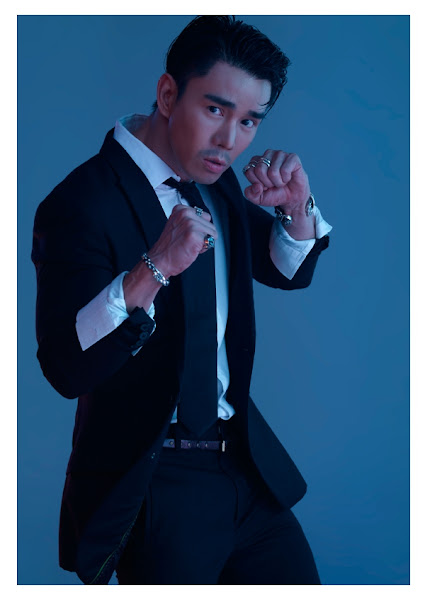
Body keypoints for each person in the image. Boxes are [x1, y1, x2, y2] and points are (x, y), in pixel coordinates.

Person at [32, 15, 332, 585]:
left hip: (243, 465)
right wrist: (154, 268)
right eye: (215, 109)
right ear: (168, 95)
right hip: (158, 480)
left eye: (249, 121)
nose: (230, 141)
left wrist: (296, 208)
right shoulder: (80, 203)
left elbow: (281, 269)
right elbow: (65, 365)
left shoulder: (213, 181)